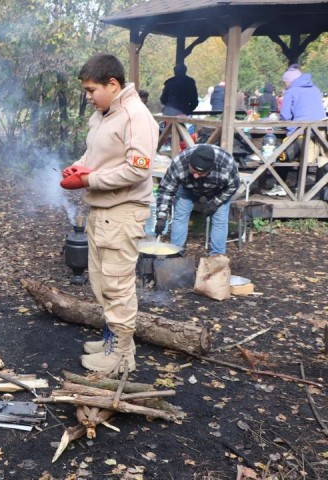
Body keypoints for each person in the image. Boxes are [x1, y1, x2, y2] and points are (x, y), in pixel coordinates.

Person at [60, 53, 158, 375]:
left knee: (117, 286)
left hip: (123, 211)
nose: (88, 97)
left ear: (112, 84)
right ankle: (113, 342)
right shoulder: (104, 113)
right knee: (102, 283)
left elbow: (137, 170)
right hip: (102, 210)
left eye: (92, 90)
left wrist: (89, 179)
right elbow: (95, 153)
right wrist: (79, 166)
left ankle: (120, 359)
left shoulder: (135, 116)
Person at [155, 144, 239, 256]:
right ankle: (176, 253)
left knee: (220, 221)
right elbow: (166, 190)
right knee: (180, 217)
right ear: (189, 163)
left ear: (211, 168)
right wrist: (162, 216)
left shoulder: (226, 165)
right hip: (188, 188)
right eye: (193, 171)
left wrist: (216, 202)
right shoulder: (179, 163)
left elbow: (233, 186)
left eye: (200, 173)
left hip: (218, 190)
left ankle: (217, 258)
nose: (196, 176)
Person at [266, 65, 325, 196]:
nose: (285, 85)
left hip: (301, 135)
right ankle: (300, 187)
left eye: (285, 82)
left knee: (282, 154)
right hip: (320, 137)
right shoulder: (315, 89)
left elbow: (285, 116)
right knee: (302, 158)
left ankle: (280, 186)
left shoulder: (292, 91)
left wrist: (286, 128)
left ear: (289, 81)